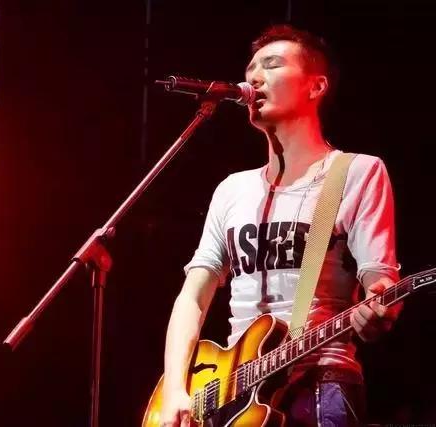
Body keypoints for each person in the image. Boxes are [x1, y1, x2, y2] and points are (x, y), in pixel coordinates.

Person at [160, 24, 401, 427]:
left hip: (321, 381)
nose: (254, 77)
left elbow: (380, 280)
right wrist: (174, 389)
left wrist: (380, 306)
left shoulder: (356, 172)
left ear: (315, 86)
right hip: (231, 394)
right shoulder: (232, 189)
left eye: (272, 65)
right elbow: (193, 297)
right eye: (250, 69)